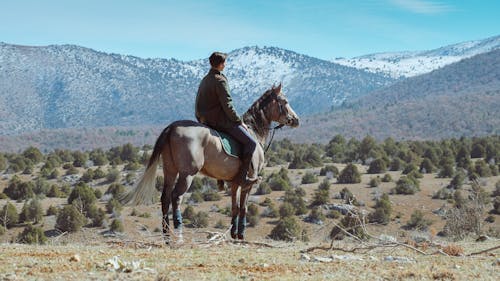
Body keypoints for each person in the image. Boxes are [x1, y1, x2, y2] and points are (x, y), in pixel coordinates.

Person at [195, 52, 258, 187]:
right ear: (221, 64)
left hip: (205, 121)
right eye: (224, 62)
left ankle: (221, 177)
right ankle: (243, 177)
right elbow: (228, 105)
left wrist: (201, 120)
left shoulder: (205, 80)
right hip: (220, 121)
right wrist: (238, 121)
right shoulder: (220, 80)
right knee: (251, 143)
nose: (225, 65)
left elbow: (197, 104)